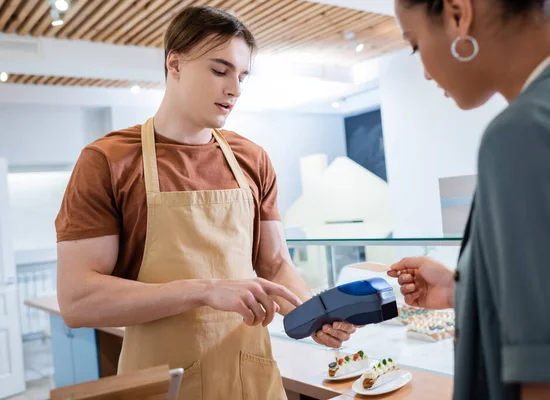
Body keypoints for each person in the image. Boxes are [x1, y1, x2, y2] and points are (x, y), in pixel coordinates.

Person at [55, 6, 356, 399]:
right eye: (220, 70)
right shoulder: (108, 161)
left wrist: (313, 315)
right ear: (175, 64)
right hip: (166, 385)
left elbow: (275, 264)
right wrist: (203, 290)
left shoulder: (252, 159)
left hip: (252, 381)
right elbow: (78, 300)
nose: (235, 89)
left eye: (242, 76)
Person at [388, 0, 550, 399]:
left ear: (457, 14)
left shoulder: (527, 132)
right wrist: (461, 291)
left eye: (415, 45)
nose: (425, 72)